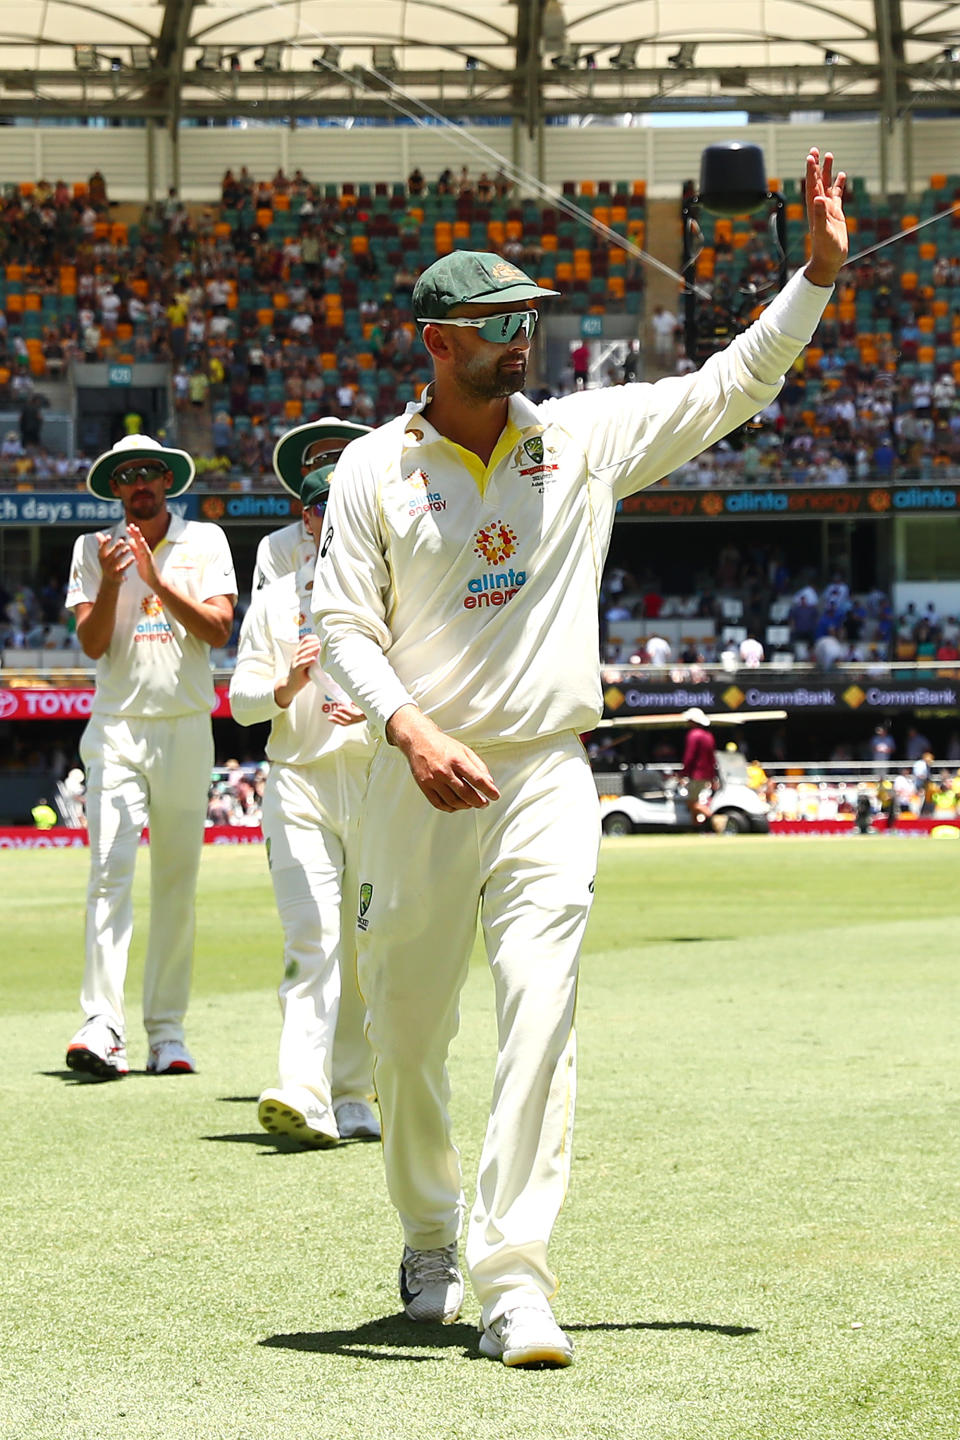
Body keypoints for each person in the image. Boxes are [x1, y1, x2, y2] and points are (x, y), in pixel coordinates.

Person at [310, 149, 846, 1369]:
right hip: (415, 778)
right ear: (436, 342)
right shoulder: (372, 470)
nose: (524, 340)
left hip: (547, 773)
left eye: (529, 320)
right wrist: (409, 726)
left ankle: (513, 1279)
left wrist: (811, 280)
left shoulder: (584, 440)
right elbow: (338, 625)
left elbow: (731, 385)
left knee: (541, 1013)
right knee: (402, 1035)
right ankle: (430, 1230)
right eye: (499, 325)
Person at [64, 434, 237, 1080]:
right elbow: (91, 643)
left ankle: (167, 1032)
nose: (140, 483)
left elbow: (220, 629)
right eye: (126, 475)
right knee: (110, 871)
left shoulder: (206, 542)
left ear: (168, 480)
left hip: (187, 728)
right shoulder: (91, 550)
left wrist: (157, 578)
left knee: (175, 885)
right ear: (114, 487)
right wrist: (113, 583)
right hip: (116, 727)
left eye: (149, 473)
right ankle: (102, 1024)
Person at [230, 463, 380, 1148]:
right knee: (312, 935)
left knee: (367, 945)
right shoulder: (273, 602)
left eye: (343, 506)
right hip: (298, 783)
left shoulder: (393, 590)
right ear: (308, 518)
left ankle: (356, 1093)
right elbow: (240, 704)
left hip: (376, 782)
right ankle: (305, 1092)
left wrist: (376, 717)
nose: (329, 520)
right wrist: (288, 686)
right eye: (320, 509)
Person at [252, 418, 371, 590]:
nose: (335, 469)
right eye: (324, 461)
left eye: (343, 458)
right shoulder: (277, 546)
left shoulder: (385, 530)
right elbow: (268, 612)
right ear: (305, 473)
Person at [679, 708, 717, 825]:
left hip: (697, 774)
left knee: (691, 802)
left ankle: (715, 818)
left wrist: (683, 773)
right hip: (707, 774)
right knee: (695, 801)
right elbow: (712, 758)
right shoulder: (708, 736)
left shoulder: (694, 735)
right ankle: (695, 826)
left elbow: (689, 756)